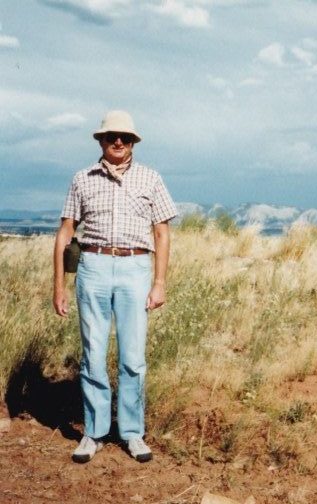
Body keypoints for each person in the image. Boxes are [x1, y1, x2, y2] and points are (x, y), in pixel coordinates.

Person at [53, 110, 178, 463]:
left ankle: (132, 432)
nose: (118, 142)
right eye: (111, 137)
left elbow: (162, 233)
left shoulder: (151, 179)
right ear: (101, 141)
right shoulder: (82, 179)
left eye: (124, 136)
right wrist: (58, 286)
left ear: (134, 141)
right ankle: (93, 433)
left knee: (133, 357)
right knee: (92, 354)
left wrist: (159, 282)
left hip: (135, 268)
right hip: (91, 267)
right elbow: (65, 233)